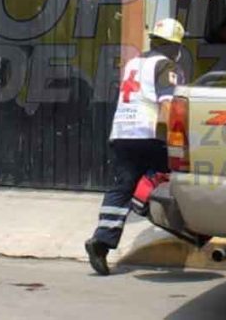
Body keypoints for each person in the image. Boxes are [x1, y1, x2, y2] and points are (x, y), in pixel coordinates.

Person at [85, 18, 187, 275]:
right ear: (174, 46)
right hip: (149, 132)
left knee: (122, 184)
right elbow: (166, 107)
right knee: (173, 172)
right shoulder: (167, 66)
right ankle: (143, 204)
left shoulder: (134, 62)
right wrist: (178, 138)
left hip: (122, 132)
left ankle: (101, 241)